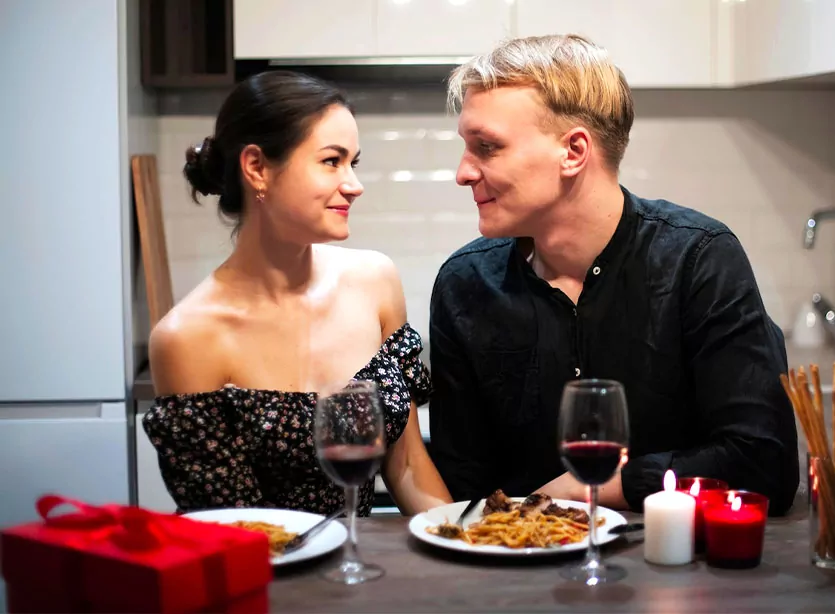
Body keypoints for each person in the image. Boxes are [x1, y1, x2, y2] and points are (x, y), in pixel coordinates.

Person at [427, 35, 799, 516]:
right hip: (512, 573)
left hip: (672, 573)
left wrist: (595, 489)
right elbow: (464, 486)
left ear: (573, 151)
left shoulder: (698, 260)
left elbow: (763, 462)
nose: (463, 172)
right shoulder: (465, 284)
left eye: (487, 147)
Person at [142, 70, 452, 517]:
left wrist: (456, 548)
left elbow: (406, 466)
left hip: (360, 571)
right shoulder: (188, 337)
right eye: (332, 161)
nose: (354, 184)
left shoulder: (374, 280)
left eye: (354, 163)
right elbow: (233, 527)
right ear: (257, 168)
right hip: (267, 578)